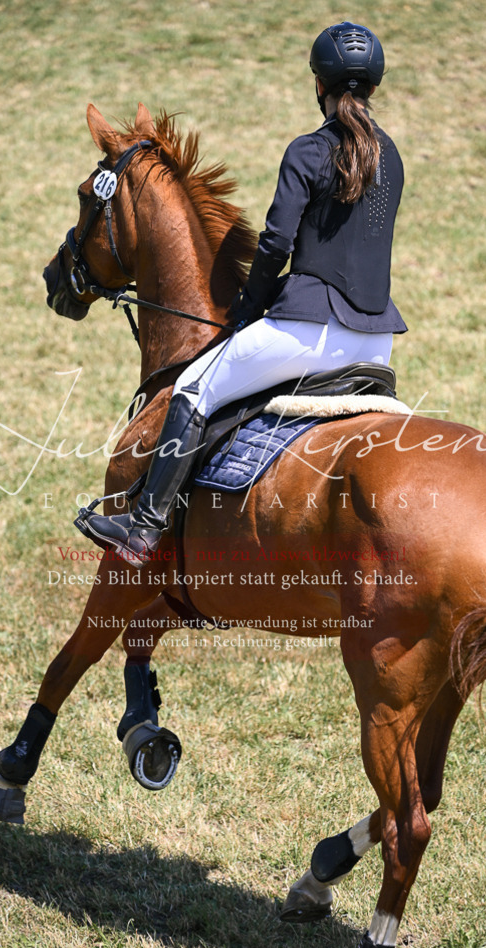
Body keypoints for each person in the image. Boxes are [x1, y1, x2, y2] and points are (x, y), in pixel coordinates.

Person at [82, 21, 407, 562]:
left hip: (307, 333)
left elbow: (276, 242)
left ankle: (143, 530)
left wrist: (245, 312)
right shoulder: (390, 157)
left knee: (193, 388)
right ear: (374, 86)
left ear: (317, 85)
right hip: (376, 346)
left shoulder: (308, 151)